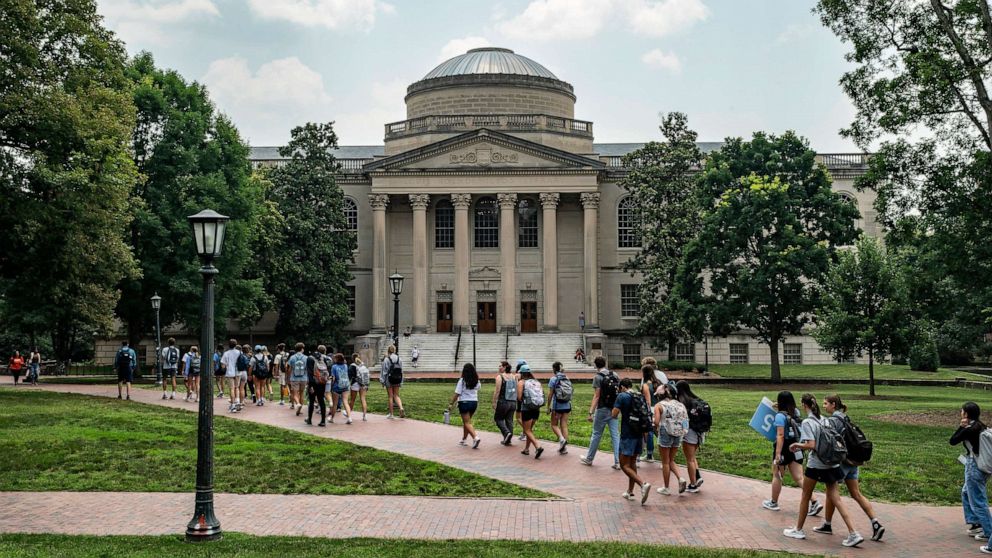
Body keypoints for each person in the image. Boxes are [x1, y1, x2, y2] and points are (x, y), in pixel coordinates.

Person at [782, 393, 863, 548]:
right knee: (836, 499)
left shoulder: (807, 422)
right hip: (832, 464)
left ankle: (798, 529)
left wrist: (796, 446)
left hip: (816, 465)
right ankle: (853, 533)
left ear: (804, 405)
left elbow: (811, 445)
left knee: (805, 496)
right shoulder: (824, 419)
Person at [813, 394, 885, 542]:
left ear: (833, 404)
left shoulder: (833, 421)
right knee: (856, 494)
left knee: (832, 492)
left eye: (826, 403)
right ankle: (875, 523)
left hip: (843, 462)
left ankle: (836, 527)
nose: (824, 406)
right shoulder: (845, 417)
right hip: (854, 461)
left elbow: (830, 441)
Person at [763, 390, 822, 517]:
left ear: (780, 402)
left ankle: (773, 502)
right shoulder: (796, 412)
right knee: (800, 478)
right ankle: (815, 501)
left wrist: (778, 454)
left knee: (777, 475)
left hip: (784, 448)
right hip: (796, 447)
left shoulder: (780, 416)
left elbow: (780, 435)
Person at [951, 401, 992, 553]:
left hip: (975, 466)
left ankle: (988, 531)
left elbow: (953, 441)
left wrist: (961, 427)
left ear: (966, 414)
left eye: (962, 411)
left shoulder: (970, 429)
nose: (960, 413)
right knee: (966, 492)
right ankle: (976, 523)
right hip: (983, 466)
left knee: (978, 500)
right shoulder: (981, 425)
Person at [614, 378, 651, 504]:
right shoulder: (639, 395)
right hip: (638, 433)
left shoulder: (622, 396)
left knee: (624, 465)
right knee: (632, 462)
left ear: (622, 387)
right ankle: (630, 491)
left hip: (627, 434)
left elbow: (614, 414)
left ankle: (642, 484)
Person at [579, 356, 621, 469]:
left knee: (597, 433)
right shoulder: (614, 374)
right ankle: (618, 462)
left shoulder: (597, 377)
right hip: (614, 409)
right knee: (615, 435)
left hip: (602, 408)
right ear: (605, 363)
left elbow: (597, 396)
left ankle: (589, 458)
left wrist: (591, 412)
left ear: (595, 365)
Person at [653, 383, 688, 495]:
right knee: (671, 460)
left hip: (665, 433)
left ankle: (666, 487)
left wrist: (653, 425)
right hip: (678, 433)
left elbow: (656, 422)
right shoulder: (680, 404)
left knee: (665, 462)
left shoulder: (659, 405)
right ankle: (680, 478)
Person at [676, 380, 707, 492]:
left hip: (690, 432)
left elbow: (684, 420)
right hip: (701, 432)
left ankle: (693, 484)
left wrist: (682, 431)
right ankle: (697, 477)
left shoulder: (684, 403)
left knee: (689, 459)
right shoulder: (698, 400)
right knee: (692, 457)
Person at [448, 363, 481, 448]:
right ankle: (464, 439)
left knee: (467, 422)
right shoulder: (476, 380)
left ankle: (475, 437)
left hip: (464, 402)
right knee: (467, 422)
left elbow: (457, 393)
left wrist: (451, 403)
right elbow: (478, 388)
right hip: (474, 402)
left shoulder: (462, 380)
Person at [516, 365, 545, 459]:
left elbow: (519, 397)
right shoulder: (536, 382)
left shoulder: (521, 382)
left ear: (522, 373)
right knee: (529, 430)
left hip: (527, 409)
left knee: (526, 430)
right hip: (536, 408)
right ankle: (526, 449)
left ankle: (538, 446)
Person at [639, 364, 665, 463]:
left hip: (651, 410)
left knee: (649, 432)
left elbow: (648, 402)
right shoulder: (659, 383)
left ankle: (649, 455)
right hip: (661, 408)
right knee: (659, 433)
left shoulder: (645, 385)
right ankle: (665, 457)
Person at [548, 361, 572, 454]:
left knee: (554, 424)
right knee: (564, 425)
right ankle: (564, 448)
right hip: (567, 405)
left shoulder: (553, 379)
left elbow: (550, 394)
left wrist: (548, 406)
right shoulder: (567, 378)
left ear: (554, 369)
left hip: (557, 406)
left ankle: (561, 439)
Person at [492, 360, 517, 445]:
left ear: (505, 367)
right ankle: (508, 440)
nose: (499, 367)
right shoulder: (514, 377)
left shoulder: (500, 377)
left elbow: (497, 391)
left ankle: (506, 433)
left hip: (503, 401)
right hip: (513, 402)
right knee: (509, 420)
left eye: (500, 366)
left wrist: (494, 402)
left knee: (498, 419)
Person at [306, 345, 328, 426]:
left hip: (313, 383)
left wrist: (310, 385)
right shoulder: (324, 358)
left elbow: (310, 373)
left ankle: (309, 419)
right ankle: (323, 421)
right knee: (321, 400)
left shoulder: (310, 358)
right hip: (322, 382)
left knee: (311, 401)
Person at [381, 345, 405, 419]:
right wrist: (401, 380)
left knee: (390, 396)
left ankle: (391, 414)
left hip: (389, 379)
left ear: (388, 350)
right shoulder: (399, 359)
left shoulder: (387, 359)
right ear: (395, 350)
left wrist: (382, 381)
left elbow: (384, 371)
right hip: (398, 378)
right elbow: (401, 370)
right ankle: (401, 408)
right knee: (397, 395)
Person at [329, 352, 353, 424]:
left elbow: (333, 378)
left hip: (337, 386)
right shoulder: (345, 366)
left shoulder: (334, 367)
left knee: (335, 404)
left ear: (337, 359)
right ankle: (349, 418)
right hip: (346, 385)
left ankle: (332, 418)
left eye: (335, 358)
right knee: (345, 402)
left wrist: (330, 383)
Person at [220, 339, 242, 413]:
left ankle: (232, 405)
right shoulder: (239, 352)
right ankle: (238, 401)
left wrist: (226, 366)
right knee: (237, 387)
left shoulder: (226, 353)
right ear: (236, 345)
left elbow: (223, 365)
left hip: (230, 372)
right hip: (238, 372)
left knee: (231, 389)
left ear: (228, 345)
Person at [287, 343, 309, 416]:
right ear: (302, 349)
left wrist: (288, 378)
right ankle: (300, 410)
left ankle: (297, 403)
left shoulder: (292, 357)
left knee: (295, 393)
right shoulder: (306, 358)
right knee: (302, 393)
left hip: (294, 378)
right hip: (304, 378)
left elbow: (289, 369)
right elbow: (307, 369)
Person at [348, 354, 370, 421]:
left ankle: (348, 413)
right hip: (363, 384)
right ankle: (364, 415)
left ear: (352, 358)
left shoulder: (352, 366)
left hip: (355, 383)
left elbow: (349, 376)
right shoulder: (363, 365)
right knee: (363, 399)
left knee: (352, 400)